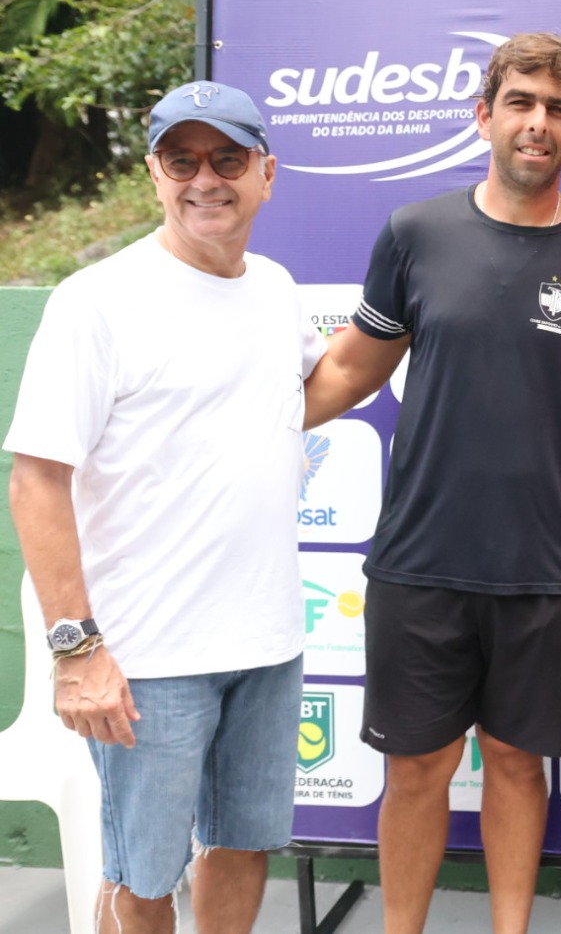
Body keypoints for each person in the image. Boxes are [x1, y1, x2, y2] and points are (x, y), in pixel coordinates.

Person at [301, 32, 561, 934]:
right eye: (521, 102)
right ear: (484, 114)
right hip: (421, 560)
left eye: (558, 110)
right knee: (415, 772)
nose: (538, 123)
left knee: (520, 767)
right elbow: (348, 372)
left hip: (551, 566)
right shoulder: (415, 234)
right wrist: (238, 427)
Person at [6, 81, 323, 934]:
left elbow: (303, 394)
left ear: (267, 173)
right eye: (181, 160)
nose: (204, 179)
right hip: (146, 661)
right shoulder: (96, 302)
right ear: (153, 174)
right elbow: (36, 479)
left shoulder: (276, 289)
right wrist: (78, 652)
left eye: (227, 158)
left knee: (242, 846)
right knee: (142, 878)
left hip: (266, 643)